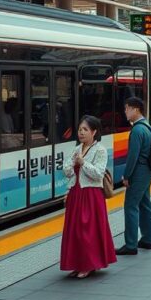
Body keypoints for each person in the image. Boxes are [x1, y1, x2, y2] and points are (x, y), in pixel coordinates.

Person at [60, 115, 118, 277]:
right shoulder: (76, 149)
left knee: (88, 231)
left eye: (85, 129)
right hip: (75, 193)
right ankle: (77, 263)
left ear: (94, 132)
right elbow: (67, 171)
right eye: (79, 129)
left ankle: (89, 265)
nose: (81, 133)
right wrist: (72, 164)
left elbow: (98, 173)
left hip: (91, 195)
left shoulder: (100, 150)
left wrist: (83, 163)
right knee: (75, 231)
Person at [118, 97, 151, 255]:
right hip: (148, 171)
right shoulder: (148, 126)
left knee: (131, 205)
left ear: (136, 109)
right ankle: (147, 239)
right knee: (145, 204)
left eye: (127, 108)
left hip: (139, 172)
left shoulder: (137, 130)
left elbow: (132, 157)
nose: (125, 112)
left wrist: (126, 176)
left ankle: (131, 244)